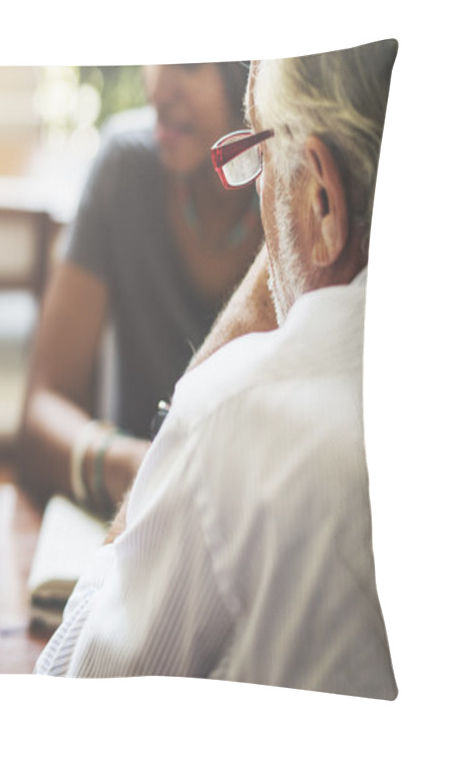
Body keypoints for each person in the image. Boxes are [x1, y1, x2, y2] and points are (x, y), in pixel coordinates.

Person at [35, 40, 399, 700]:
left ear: (321, 196)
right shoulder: (127, 170)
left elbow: (70, 687)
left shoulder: (232, 416)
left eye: (263, 156)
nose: (155, 84)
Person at [19, 63, 263, 516]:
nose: (158, 88)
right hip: (142, 514)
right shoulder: (124, 169)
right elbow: (40, 410)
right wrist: (127, 465)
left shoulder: (296, 188)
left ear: (249, 74)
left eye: (188, 66)